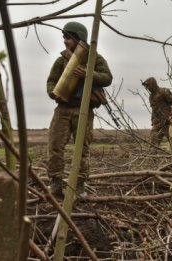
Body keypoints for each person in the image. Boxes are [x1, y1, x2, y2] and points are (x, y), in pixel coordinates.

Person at [46, 21, 113, 196]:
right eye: (64, 37)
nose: (65, 41)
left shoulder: (94, 58)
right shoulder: (62, 60)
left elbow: (107, 78)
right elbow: (51, 81)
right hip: (63, 109)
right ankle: (55, 184)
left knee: (81, 149)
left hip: (84, 109)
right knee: (55, 146)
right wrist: (52, 93)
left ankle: (80, 186)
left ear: (78, 38)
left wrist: (88, 73)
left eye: (68, 37)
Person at [142, 77, 172, 155]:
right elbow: (154, 110)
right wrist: (153, 121)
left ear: (153, 85)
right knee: (152, 144)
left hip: (168, 122)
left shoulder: (164, 91)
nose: (147, 88)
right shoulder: (151, 97)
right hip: (157, 123)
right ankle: (152, 163)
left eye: (148, 86)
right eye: (146, 86)